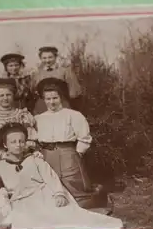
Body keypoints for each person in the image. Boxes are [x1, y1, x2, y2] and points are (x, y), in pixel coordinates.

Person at [0, 123, 123, 229]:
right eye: (13, 142)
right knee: (27, 224)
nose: (18, 145)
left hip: (42, 196)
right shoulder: (1, 165)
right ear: (5, 145)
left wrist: (59, 193)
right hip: (21, 201)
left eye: (21, 141)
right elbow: (1, 185)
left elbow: (50, 177)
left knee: (61, 219)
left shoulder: (34, 160)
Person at [34, 77, 111, 213]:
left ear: (61, 97)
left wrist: (77, 153)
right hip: (47, 154)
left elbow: (84, 137)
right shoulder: (40, 118)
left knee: (72, 183)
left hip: (67, 152)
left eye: (55, 98)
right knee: (51, 183)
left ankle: (91, 201)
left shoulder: (73, 115)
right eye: (48, 99)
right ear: (44, 100)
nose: (52, 102)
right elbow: (35, 139)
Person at [31, 46, 84, 114]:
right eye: (44, 58)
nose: (47, 60)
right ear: (40, 59)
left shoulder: (65, 71)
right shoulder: (36, 74)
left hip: (61, 105)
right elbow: (32, 92)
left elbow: (74, 92)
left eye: (50, 57)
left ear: (55, 57)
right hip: (42, 106)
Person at [0, 78, 37, 151]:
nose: (5, 98)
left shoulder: (23, 115)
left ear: (13, 95)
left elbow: (30, 137)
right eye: (1, 95)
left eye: (8, 95)